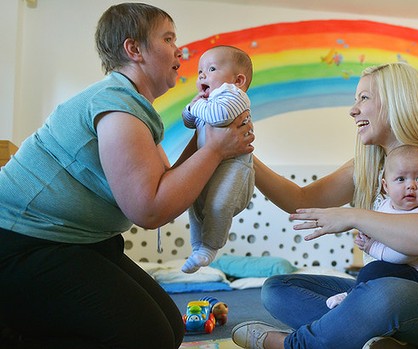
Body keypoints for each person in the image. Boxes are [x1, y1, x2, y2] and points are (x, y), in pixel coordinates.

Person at [0, 3, 254, 349]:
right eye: (168, 38)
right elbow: (149, 210)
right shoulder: (116, 105)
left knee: (170, 329)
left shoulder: (133, 107)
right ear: (133, 49)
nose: (179, 50)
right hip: (22, 245)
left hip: (78, 241)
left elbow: (169, 184)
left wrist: (206, 139)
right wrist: (215, 150)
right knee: (147, 337)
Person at [231, 62, 418, 349]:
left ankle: (291, 345)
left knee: (384, 296)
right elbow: (301, 199)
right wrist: (242, 154)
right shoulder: (370, 164)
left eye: (364, 98)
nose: (353, 109)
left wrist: (355, 216)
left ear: (398, 101)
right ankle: (379, 339)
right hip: (382, 291)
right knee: (277, 289)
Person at [326, 145, 418, 309]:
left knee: (372, 271)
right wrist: (367, 236)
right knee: (372, 274)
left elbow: (403, 255)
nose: (411, 186)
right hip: (393, 268)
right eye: (401, 179)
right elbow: (379, 229)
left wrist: (371, 247)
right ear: (386, 186)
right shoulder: (384, 206)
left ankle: (351, 297)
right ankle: (353, 297)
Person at [181, 45, 254, 273]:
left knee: (218, 204)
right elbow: (188, 121)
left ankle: (210, 247)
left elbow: (219, 117)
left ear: (238, 80)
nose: (203, 75)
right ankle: (197, 246)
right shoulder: (208, 101)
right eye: (200, 71)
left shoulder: (234, 96)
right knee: (193, 201)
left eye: (211, 69)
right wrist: (192, 107)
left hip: (234, 166)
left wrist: (197, 105)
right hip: (212, 165)